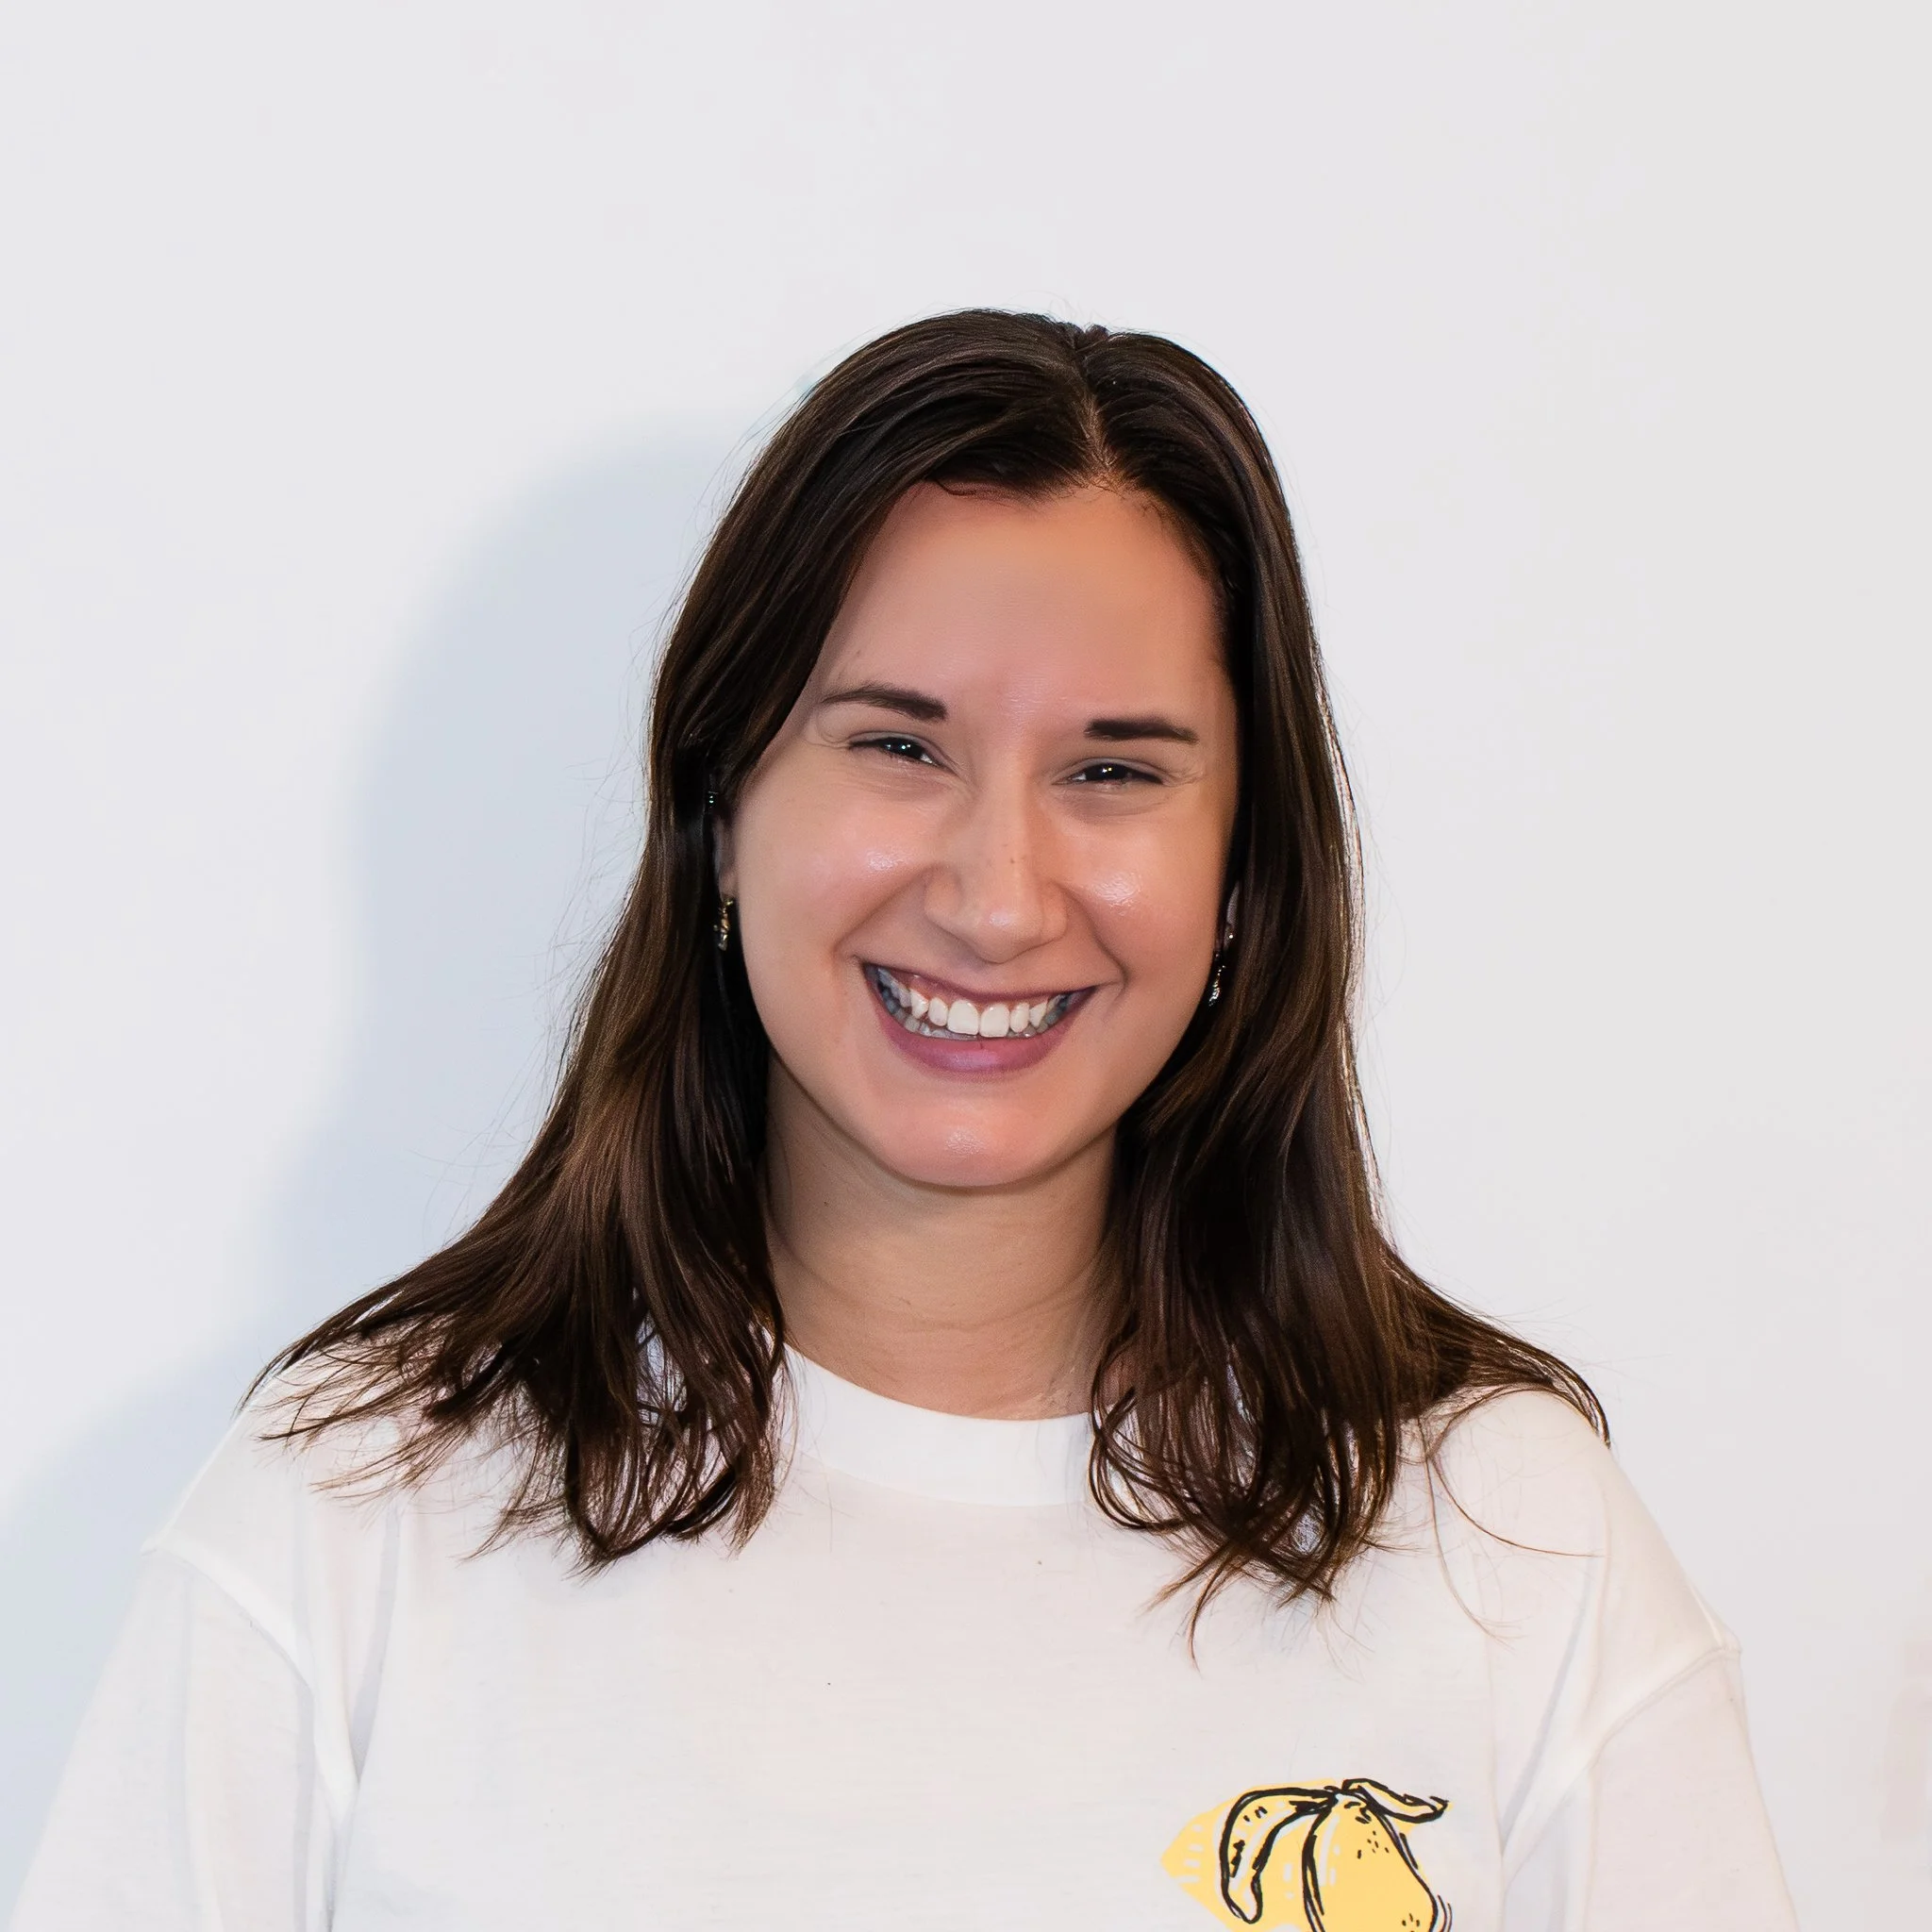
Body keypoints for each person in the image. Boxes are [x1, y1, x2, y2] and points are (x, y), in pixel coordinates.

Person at [13, 311, 1795, 1932]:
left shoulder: (1507, 1543)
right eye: (899, 746)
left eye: (1113, 771)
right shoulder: (355, 1515)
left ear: (1245, 875)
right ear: (721, 807)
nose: (998, 898)